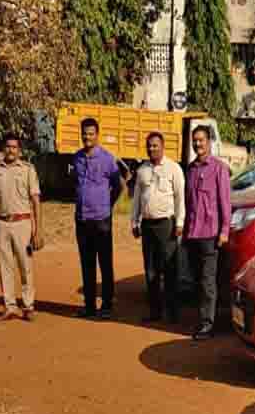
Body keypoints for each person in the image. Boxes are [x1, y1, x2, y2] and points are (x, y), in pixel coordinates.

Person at [0, 132, 43, 322]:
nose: (11, 150)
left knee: (25, 266)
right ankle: (9, 306)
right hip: (2, 223)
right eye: (8, 146)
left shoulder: (28, 169)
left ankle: (28, 305)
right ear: (3, 148)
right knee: (5, 267)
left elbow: (35, 200)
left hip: (23, 223)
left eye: (14, 147)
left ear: (19, 150)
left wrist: (38, 230)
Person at [130, 131, 185, 323]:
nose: (152, 148)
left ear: (162, 146)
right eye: (149, 146)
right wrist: (134, 222)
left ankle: (173, 312)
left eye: (155, 145)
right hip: (147, 225)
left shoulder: (174, 168)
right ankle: (155, 311)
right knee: (151, 270)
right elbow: (136, 198)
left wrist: (180, 222)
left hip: (166, 224)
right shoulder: (142, 170)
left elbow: (180, 197)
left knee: (170, 268)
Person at [72, 118, 123, 320]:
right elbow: (74, 182)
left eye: (91, 133)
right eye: (84, 133)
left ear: (97, 135)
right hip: (82, 219)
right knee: (86, 262)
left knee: (105, 262)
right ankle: (90, 305)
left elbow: (118, 185)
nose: (87, 137)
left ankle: (107, 305)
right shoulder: (76, 158)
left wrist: (107, 204)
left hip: (101, 219)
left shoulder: (108, 159)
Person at [183, 125, 231, 340]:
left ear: (209, 142)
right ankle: (204, 318)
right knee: (196, 280)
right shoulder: (191, 169)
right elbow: (188, 202)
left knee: (208, 281)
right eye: (195, 140)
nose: (197, 144)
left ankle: (207, 325)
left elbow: (225, 202)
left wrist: (224, 230)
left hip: (211, 233)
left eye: (201, 140)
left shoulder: (219, 168)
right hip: (192, 233)